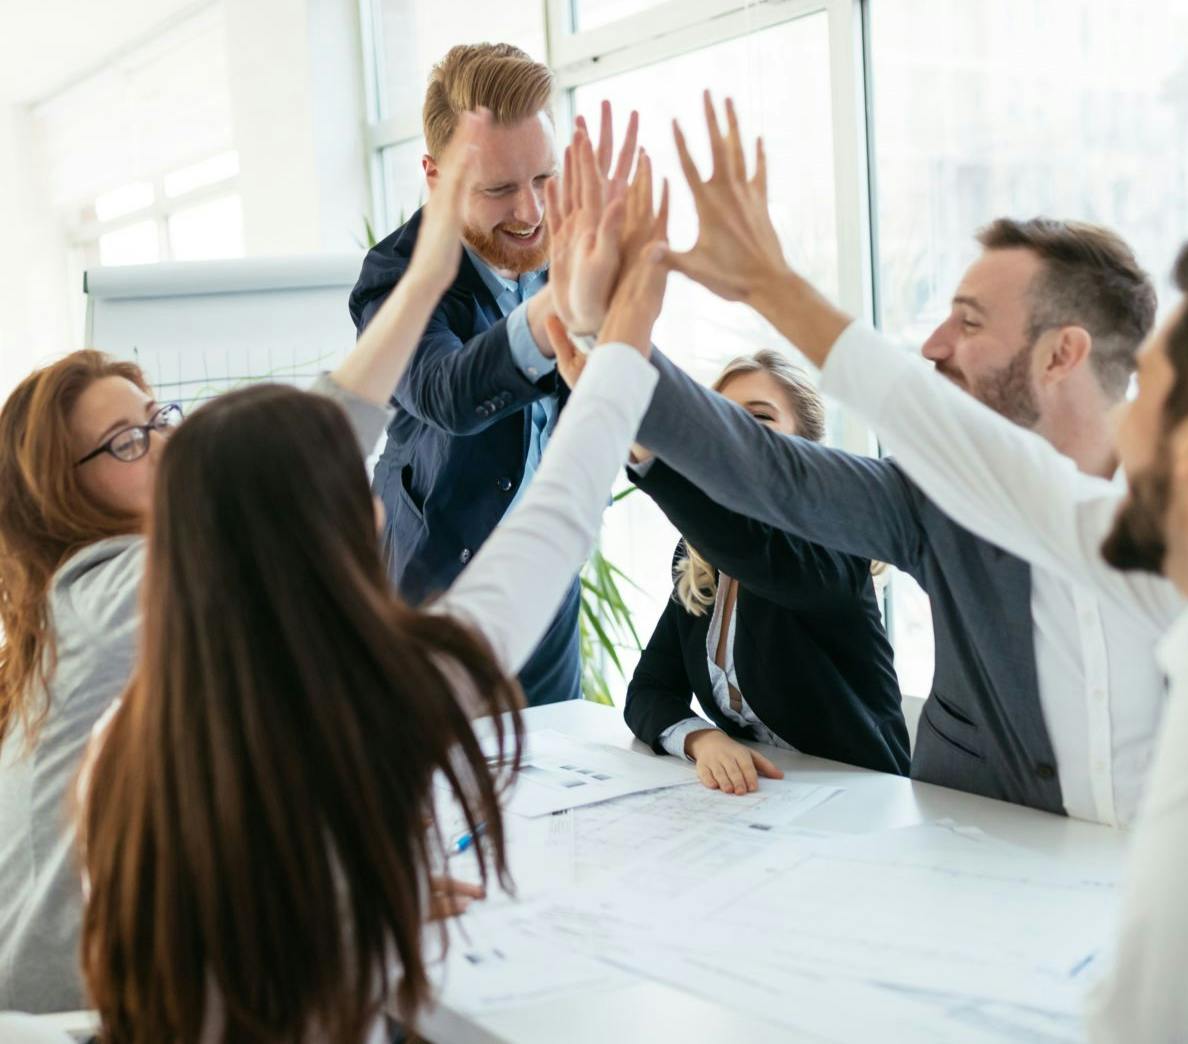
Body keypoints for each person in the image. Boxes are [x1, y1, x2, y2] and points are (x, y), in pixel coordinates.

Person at [76, 116, 670, 1044]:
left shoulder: (126, 740)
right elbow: (558, 515)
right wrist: (628, 326)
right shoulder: (383, 701)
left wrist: (353, 886)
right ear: (321, 536)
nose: (379, 496)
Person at [608, 93, 1174, 825]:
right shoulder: (928, 499)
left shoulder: (1169, 517)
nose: (934, 344)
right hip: (972, 868)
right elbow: (768, 472)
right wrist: (615, 337)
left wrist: (771, 285)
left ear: (1062, 353)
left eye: (968, 321)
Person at [349, 42, 638, 706]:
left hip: (549, 599)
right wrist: (556, 306)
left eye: (544, 179)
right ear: (435, 176)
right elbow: (444, 393)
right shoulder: (393, 276)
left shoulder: (566, 246)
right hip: (435, 600)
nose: (532, 212)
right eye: (499, 189)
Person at [624, 350, 908, 791]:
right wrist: (704, 739)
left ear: (806, 448)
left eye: (760, 418)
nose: (735, 434)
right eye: (719, 418)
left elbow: (756, 555)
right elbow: (648, 691)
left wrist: (652, 455)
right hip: (765, 800)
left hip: (863, 800)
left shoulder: (834, 542)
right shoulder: (699, 560)